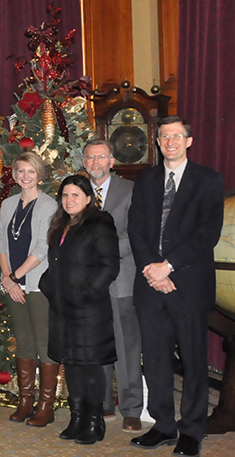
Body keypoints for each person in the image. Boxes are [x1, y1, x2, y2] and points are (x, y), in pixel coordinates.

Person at [128, 116, 224, 456]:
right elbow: (136, 228)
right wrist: (152, 270)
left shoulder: (208, 181)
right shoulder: (146, 180)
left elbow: (206, 235)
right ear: (157, 141)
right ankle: (164, 425)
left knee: (194, 360)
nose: (169, 141)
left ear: (189, 141)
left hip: (189, 285)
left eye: (176, 136)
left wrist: (167, 266)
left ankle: (192, 430)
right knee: (154, 359)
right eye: (164, 136)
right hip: (150, 285)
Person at [39, 175, 120, 445]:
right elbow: (58, 263)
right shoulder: (61, 225)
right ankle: (77, 419)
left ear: (88, 198)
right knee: (72, 363)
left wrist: (86, 293)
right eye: (65, 195)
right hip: (62, 307)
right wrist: (47, 284)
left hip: (89, 309)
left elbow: (109, 265)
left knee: (91, 365)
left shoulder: (99, 223)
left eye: (75, 195)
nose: (69, 200)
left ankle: (94, 423)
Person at [82, 139, 143, 431]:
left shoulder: (130, 191)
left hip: (121, 279)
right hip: (89, 283)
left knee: (126, 345)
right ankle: (104, 402)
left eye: (101, 157)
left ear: (112, 161)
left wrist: (99, 249)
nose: (95, 163)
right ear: (84, 163)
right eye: (90, 158)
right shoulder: (77, 192)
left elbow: (135, 234)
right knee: (96, 343)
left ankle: (131, 408)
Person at [0, 152, 60, 427]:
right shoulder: (9, 204)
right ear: (14, 173)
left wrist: (16, 277)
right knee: (23, 341)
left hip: (36, 284)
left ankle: (45, 405)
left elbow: (43, 247)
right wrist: (7, 278)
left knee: (44, 343)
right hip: (13, 284)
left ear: (39, 174)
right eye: (21, 171)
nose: (25, 176)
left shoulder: (49, 205)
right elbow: (1, 244)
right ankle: (25, 401)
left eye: (31, 171)